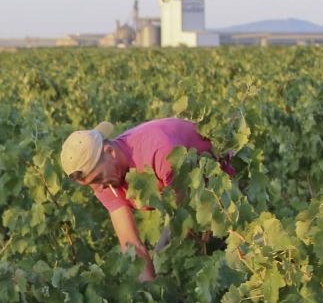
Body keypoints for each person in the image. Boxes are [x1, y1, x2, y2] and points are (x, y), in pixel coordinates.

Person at [60, 117, 233, 282]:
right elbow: (131, 245)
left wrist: (158, 256)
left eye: (97, 178)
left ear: (110, 151)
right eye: (90, 184)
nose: (98, 189)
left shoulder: (157, 150)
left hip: (226, 189)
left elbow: (182, 214)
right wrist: (149, 293)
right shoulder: (104, 182)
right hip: (193, 203)